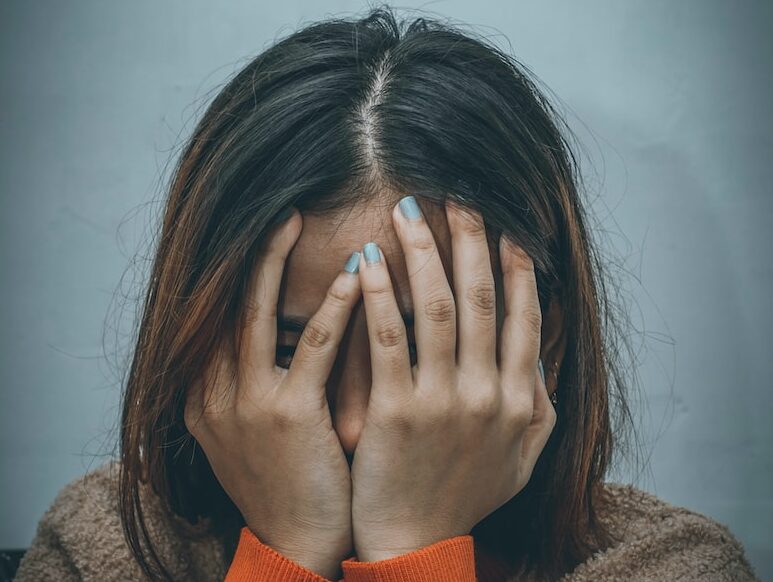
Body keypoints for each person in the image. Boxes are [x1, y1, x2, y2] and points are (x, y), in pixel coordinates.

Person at [15, 6, 759, 582]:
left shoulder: (670, 565)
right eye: (289, 351)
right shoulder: (102, 545)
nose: (345, 426)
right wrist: (287, 554)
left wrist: (412, 546)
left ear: (545, 339)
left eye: (420, 356)